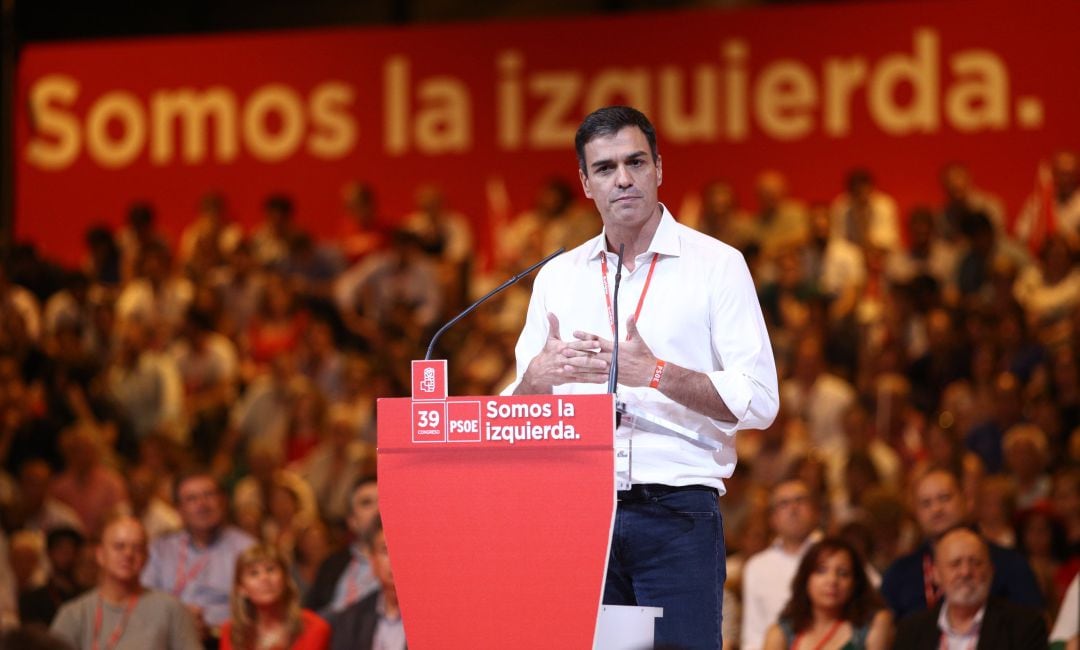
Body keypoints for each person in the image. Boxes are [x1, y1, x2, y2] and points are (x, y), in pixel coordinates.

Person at [505, 105, 779, 649]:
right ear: (585, 183)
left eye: (635, 161)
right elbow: (518, 412)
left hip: (678, 514)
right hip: (578, 518)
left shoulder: (716, 265)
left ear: (659, 167)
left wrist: (653, 373)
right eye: (604, 168)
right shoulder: (557, 278)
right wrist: (533, 382)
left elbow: (761, 401)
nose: (623, 178)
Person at [880, 468, 1042, 619]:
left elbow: (1033, 626)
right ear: (916, 514)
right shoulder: (899, 573)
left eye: (944, 498)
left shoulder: (1009, 564)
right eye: (926, 503)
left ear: (966, 500)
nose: (936, 509)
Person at [142, 468, 257, 645]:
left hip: (223, 641)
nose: (202, 504)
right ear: (179, 510)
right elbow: (143, 600)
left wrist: (211, 628)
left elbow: (259, 611)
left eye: (209, 495)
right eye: (192, 499)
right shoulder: (160, 548)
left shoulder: (246, 548)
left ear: (223, 501)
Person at [50, 515, 201, 649]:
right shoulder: (74, 614)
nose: (128, 554)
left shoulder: (171, 609)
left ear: (146, 557)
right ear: (100, 555)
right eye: (119, 546)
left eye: (137, 547)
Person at [894, 527, 1047, 649]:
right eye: (955, 564)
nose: (966, 572)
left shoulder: (1024, 626)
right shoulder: (911, 631)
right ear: (936, 575)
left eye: (976, 563)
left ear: (991, 571)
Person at [763, 538, 892, 650]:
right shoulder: (781, 634)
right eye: (821, 570)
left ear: (855, 582)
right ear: (805, 578)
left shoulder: (873, 624)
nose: (832, 581)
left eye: (843, 573)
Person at [742, 478, 824, 650]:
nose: (793, 509)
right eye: (784, 503)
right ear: (773, 518)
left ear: (816, 511)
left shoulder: (834, 556)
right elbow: (753, 635)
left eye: (800, 501)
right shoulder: (757, 566)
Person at [220, 544, 329, 650]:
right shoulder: (231, 632)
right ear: (241, 588)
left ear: (285, 579)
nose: (264, 578)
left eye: (270, 569)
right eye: (254, 573)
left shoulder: (314, 627)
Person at [303, 476, 380, 617]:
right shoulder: (333, 565)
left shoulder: (412, 563)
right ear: (352, 521)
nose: (378, 509)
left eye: (384, 500)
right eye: (367, 503)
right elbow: (310, 617)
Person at [328, 515, 404, 650]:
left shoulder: (433, 619)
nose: (395, 559)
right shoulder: (350, 620)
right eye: (385, 550)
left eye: (402, 549)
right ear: (372, 560)